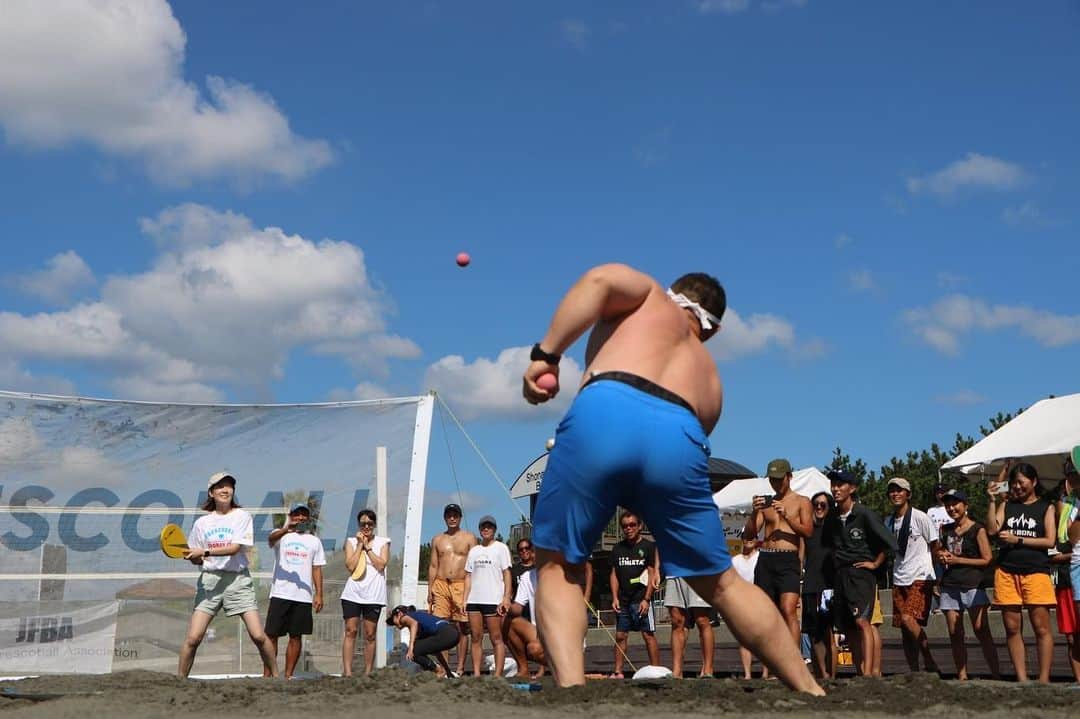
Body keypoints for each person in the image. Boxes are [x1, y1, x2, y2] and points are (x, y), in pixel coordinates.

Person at [522, 264, 822, 694]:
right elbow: (686, 450)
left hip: (607, 406)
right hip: (680, 434)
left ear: (674, 292)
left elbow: (598, 282)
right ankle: (808, 688)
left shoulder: (648, 296)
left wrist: (546, 355)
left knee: (558, 564)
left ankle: (572, 692)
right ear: (712, 331)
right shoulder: (713, 381)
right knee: (722, 582)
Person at [178, 472, 277, 678]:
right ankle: (180, 681)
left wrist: (204, 552)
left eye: (229, 486)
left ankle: (276, 678)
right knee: (193, 638)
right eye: (220, 486)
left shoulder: (242, 516)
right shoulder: (201, 524)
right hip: (210, 582)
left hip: (238, 581)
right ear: (211, 493)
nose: (225, 490)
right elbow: (197, 558)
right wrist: (193, 556)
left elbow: (234, 548)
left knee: (258, 636)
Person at [986, 460, 1056, 683]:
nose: (1017, 487)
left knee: (1041, 627)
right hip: (1006, 571)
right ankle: (1022, 679)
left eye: (1021, 482)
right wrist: (992, 500)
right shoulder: (1007, 505)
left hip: (1036, 571)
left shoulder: (1046, 507)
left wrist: (1019, 539)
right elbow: (992, 529)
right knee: (1012, 627)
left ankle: (1043, 679)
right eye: (1013, 483)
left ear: (1034, 482)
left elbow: (1050, 540)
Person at [823, 468, 897, 678]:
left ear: (852, 488)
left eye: (841, 484)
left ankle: (872, 673)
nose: (836, 488)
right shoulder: (833, 517)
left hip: (862, 574)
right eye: (833, 484)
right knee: (848, 627)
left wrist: (875, 564)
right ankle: (861, 671)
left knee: (863, 622)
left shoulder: (864, 514)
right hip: (841, 575)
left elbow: (889, 543)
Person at [745, 458, 814, 651]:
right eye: (772, 480)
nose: (775, 483)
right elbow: (749, 535)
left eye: (779, 479)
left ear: (789, 477)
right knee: (767, 614)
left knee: (788, 610)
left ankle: (793, 661)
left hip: (788, 559)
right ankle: (771, 665)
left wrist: (787, 516)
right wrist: (753, 512)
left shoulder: (802, 502)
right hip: (766, 558)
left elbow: (808, 532)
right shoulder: (766, 503)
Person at [933, 489, 1000, 680]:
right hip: (950, 584)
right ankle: (962, 675)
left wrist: (958, 560)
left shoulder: (977, 529)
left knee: (981, 630)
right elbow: (938, 552)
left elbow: (987, 559)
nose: (951, 508)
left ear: (965, 505)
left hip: (972, 583)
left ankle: (995, 673)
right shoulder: (945, 529)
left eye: (955, 504)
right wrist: (941, 555)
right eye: (948, 505)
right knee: (955, 632)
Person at [884, 477, 940, 673]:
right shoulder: (888, 521)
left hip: (920, 575)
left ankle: (929, 660)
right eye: (892, 490)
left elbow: (935, 545)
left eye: (900, 490)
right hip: (899, 577)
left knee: (909, 619)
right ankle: (914, 670)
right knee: (904, 630)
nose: (895, 494)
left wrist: (936, 578)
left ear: (908, 494)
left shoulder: (920, 517)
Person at [263, 504, 325, 679]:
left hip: (303, 597)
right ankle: (268, 675)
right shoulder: (281, 535)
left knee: (296, 636)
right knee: (271, 635)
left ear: (309, 518)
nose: (300, 518)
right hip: (280, 593)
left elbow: (317, 569)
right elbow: (270, 540)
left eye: (303, 515)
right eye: (296, 514)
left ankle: (288, 675)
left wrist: (319, 594)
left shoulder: (314, 541)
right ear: (290, 516)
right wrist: (286, 529)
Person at [608, 511, 660, 678]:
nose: (628, 528)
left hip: (641, 599)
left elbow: (652, 573)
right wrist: (614, 597)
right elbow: (614, 574)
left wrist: (647, 599)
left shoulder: (648, 547)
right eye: (625, 526)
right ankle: (618, 671)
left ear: (639, 526)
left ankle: (656, 670)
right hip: (623, 600)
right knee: (620, 635)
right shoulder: (617, 548)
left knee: (648, 635)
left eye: (632, 525)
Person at [428, 503, 476, 676]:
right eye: (449, 515)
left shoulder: (469, 538)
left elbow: (473, 566)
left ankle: (461, 667)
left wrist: (471, 590)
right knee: (440, 627)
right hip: (441, 583)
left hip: (461, 583)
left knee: (463, 627)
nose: (452, 518)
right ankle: (444, 668)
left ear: (460, 517)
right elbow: (433, 565)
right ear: (445, 517)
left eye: (455, 514)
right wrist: (429, 590)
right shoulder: (437, 539)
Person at [340, 509, 390, 676]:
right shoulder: (350, 542)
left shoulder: (383, 542)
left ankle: (368, 672)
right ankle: (348, 672)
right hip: (353, 593)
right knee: (351, 631)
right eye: (363, 524)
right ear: (359, 525)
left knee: (370, 634)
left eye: (369, 523)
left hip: (373, 595)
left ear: (374, 525)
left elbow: (381, 564)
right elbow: (350, 566)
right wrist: (360, 544)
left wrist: (368, 548)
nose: (366, 526)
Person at [463, 514, 512, 676]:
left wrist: (506, 598)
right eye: (483, 527)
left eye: (489, 527)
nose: (486, 529)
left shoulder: (501, 548)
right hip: (474, 600)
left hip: (493, 599)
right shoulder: (474, 550)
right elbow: (468, 576)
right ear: (479, 529)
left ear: (494, 529)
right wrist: (465, 599)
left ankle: (497, 674)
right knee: (476, 637)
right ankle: (477, 673)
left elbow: (507, 574)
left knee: (496, 637)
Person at [802, 492, 836, 680]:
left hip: (829, 586)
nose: (819, 507)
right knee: (814, 634)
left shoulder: (835, 529)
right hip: (810, 585)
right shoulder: (808, 530)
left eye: (823, 504)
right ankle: (822, 675)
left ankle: (831, 676)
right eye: (816, 504)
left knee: (829, 633)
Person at [1052, 457, 1080, 683]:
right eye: (1071, 477)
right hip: (1066, 575)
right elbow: (1066, 538)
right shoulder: (1066, 505)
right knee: (1072, 636)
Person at [664, 575, 715, 679]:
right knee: (677, 621)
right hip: (674, 573)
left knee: (702, 619)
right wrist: (657, 569)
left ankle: (708, 670)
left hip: (697, 571)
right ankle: (677, 671)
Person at [387, 605, 459, 676]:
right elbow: (437, 651)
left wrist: (410, 648)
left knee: (414, 651)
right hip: (454, 634)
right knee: (419, 648)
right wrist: (447, 671)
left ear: (399, 614)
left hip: (447, 633)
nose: (394, 625)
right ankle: (441, 671)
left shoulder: (404, 617)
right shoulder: (422, 623)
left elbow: (413, 624)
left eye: (393, 621)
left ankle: (438, 670)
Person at [730, 538, 762, 679]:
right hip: (741, 602)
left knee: (763, 639)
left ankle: (765, 673)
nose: (748, 540)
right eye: (745, 537)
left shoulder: (761, 556)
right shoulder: (735, 560)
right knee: (744, 639)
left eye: (752, 537)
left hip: (759, 599)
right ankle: (747, 674)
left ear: (756, 540)